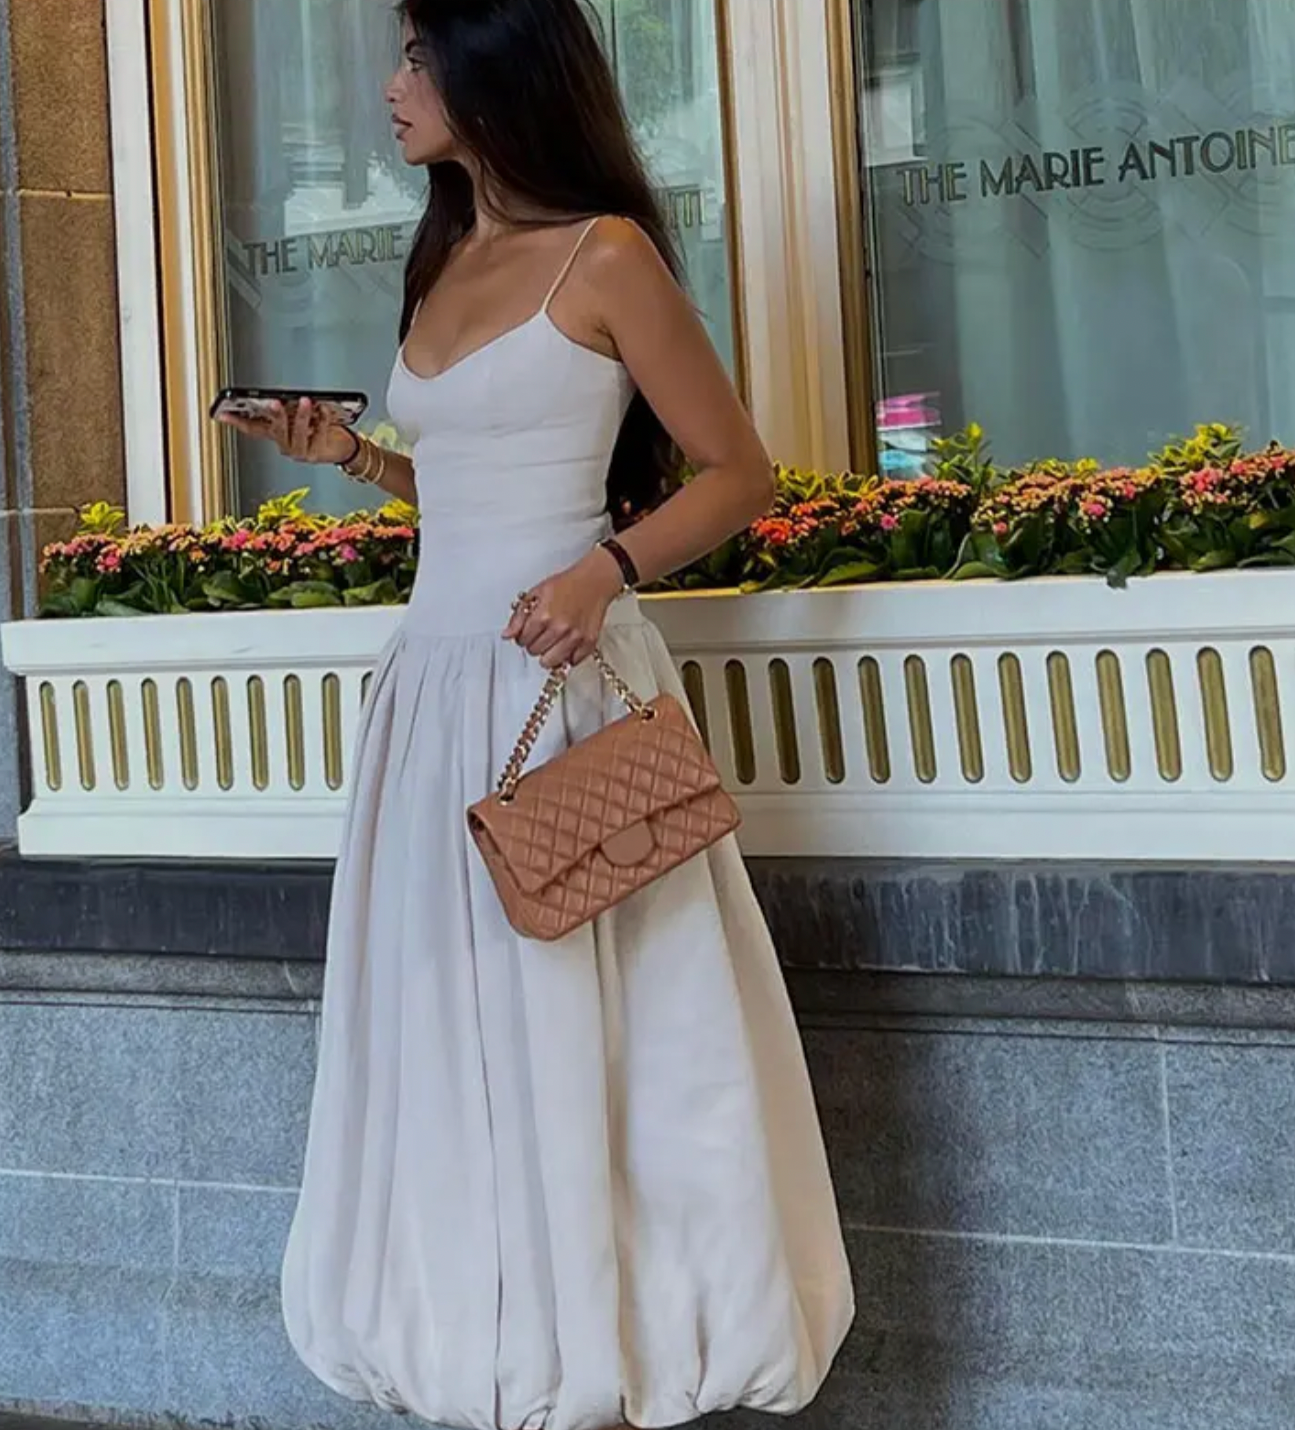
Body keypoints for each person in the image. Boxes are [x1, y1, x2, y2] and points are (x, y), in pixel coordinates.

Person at [218, 3, 853, 1427]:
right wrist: (356, 457)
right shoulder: (441, 255)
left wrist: (603, 570)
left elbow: (738, 472)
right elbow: (466, 491)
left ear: (490, 66)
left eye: (413, 55)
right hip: (433, 690)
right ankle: (496, 1340)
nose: (389, 86)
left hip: (557, 688)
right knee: (453, 1023)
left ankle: (608, 1352)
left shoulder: (605, 253)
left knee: (590, 1022)